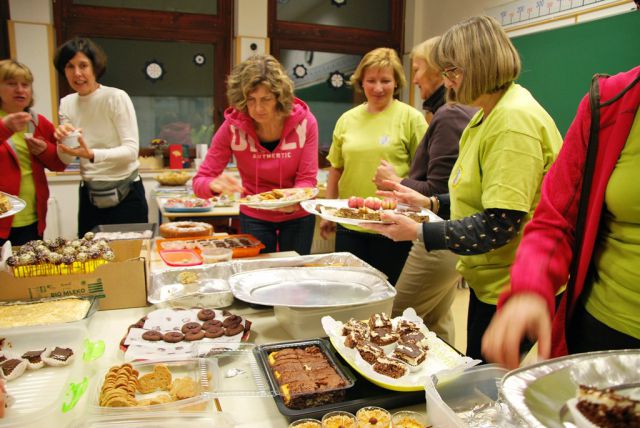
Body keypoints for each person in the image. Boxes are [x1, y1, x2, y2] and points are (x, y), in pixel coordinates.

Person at [363, 16, 562, 360]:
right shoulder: (485, 115)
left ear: (479, 66)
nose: (449, 81)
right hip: (492, 282)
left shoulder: (512, 122)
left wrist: (421, 232)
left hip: (514, 286)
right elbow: (476, 196)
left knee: (487, 389)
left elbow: (499, 224)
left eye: (453, 71)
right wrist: (431, 202)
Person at [482, 66, 640, 369]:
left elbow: (502, 217)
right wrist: (530, 286)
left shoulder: (515, 117)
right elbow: (556, 219)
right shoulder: (610, 102)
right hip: (600, 340)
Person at [372, 38, 477, 344]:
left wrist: (396, 181)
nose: (414, 78)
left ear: (439, 71)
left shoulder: (449, 113)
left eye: (417, 69)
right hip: (449, 236)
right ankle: (440, 383)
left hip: (436, 237)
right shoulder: (457, 111)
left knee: (395, 317)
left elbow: (441, 190)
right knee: (435, 319)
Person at [321, 47, 427, 285]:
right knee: (350, 291)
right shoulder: (347, 120)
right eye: (371, 80)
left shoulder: (412, 119)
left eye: (385, 80)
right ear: (361, 82)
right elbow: (336, 168)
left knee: (386, 294)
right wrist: (328, 213)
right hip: (350, 221)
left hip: (393, 224)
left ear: (397, 83)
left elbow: (424, 173)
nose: (378, 88)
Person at [193, 54, 318, 255]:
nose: (258, 109)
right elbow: (200, 181)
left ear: (279, 97)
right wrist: (212, 185)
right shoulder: (232, 128)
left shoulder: (305, 123)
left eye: (266, 99)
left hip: (298, 215)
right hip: (254, 217)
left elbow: (306, 180)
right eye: (250, 100)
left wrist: (292, 199)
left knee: (294, 276)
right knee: (258, 276)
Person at [53, 37, 148, 237]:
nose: (77, 73)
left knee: (130, 262)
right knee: (91, 261)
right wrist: (64, 141)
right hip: (90, 195)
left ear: (95, 67)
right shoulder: (67, 103)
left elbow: (131, 151)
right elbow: (66, 159)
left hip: (127, 194)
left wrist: (91, 154)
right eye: (70, 66)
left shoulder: (116, 97)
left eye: (83, 65)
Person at [0, 59, 68, 246]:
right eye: (11, 84)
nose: (20, 90)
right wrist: (4, 128)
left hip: (32, 219)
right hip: (2, 220)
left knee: (27, 273)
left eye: (25, 84)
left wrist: (45, 150)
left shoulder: (38, 122)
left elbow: (60, 164)